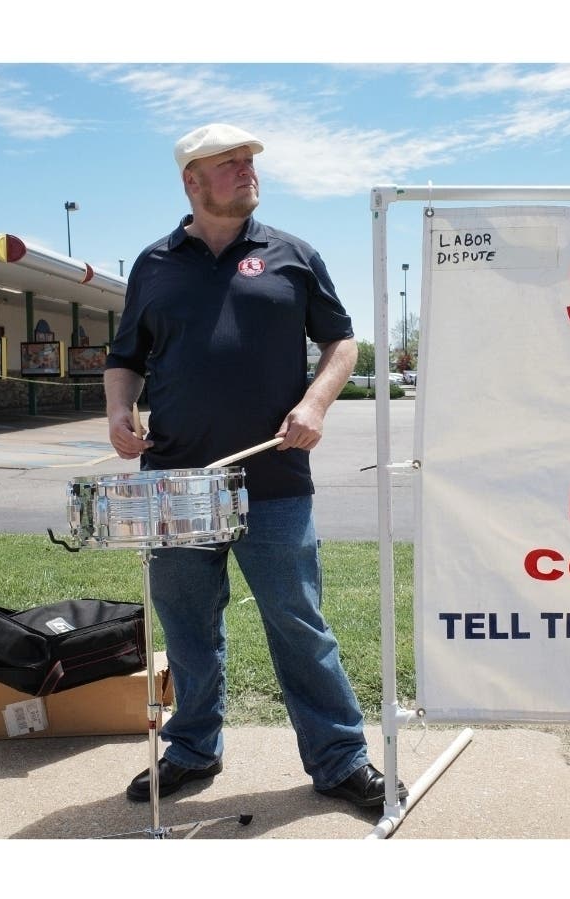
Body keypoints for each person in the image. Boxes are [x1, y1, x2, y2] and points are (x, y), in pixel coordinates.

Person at [103, 122, 405, 809]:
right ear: (192, 180)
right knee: (186, 626)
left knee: (297, 622)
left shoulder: (293, 254)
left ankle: (338, 760)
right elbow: (125, 359)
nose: (246, 170)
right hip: (176, 482)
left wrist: (316, 405)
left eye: (249, 161)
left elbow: (341, 343)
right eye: (229, 163)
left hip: (272, 479)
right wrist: (119, 411)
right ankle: (192, 749)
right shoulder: (153, 264)